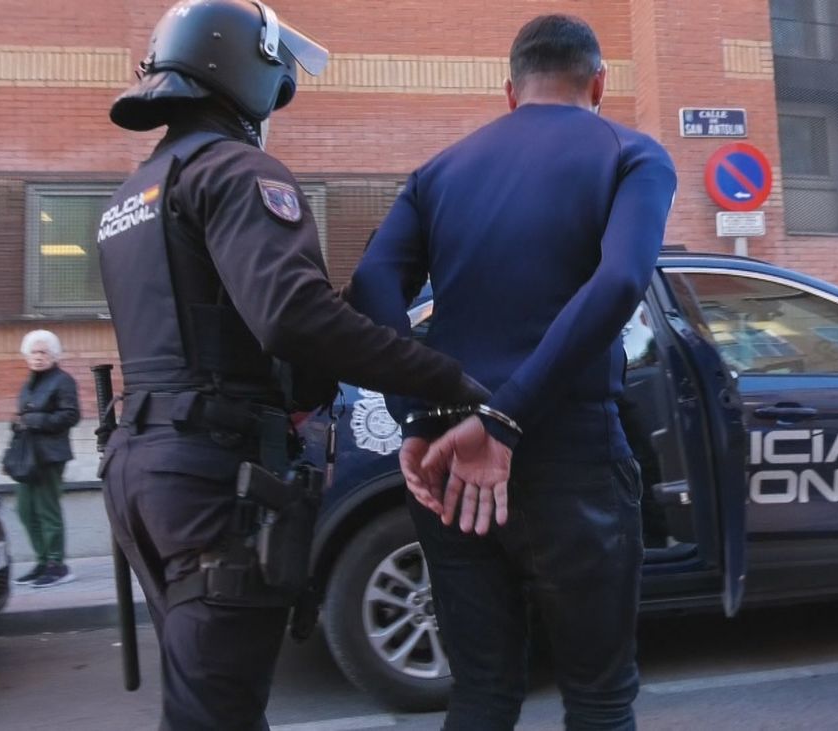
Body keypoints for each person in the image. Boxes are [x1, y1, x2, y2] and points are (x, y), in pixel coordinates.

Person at [95, 2, 489, 728]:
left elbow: (217, 325)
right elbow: (290, 316)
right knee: (216, 714)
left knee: (212, 702)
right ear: (245, 70)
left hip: (144, 466)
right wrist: (444, 378)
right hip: (213, 475)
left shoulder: (137, 191)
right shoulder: (236, 170)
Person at [350, 14, 677, 730]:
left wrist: (417, 412)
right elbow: (621, 279)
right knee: (597, 698)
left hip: (449, 456)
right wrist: (504, 419)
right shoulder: (633, 154)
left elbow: (372, 281)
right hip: (569, 453)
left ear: (510, 90)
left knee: (481, 689)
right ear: (599, 82)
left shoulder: (439, 171)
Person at [10, 329, 80, 588]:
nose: (38, 357)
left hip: (50, 456)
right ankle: (42, 561)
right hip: (27, 456)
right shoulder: (30, 382)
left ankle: (57, 564)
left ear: (54, 355)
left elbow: (71, 415)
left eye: (43, 352)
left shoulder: (63, 381)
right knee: (25, 510)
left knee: (47, 511)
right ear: (26, 356)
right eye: (34, 352)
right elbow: (23, 416)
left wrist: (35, 420)